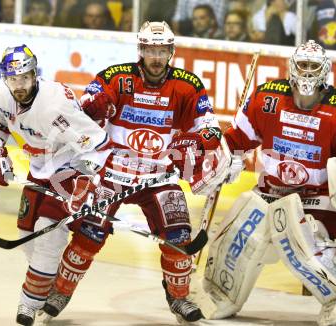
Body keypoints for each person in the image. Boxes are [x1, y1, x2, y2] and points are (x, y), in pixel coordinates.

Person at [39, 21, 229, 324]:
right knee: (88, 236)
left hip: (159, 176)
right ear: (141, 50)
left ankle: (179, 299)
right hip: (113, 172)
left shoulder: (188, 85)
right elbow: (84, 108)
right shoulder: (116, 77)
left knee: (179, 237)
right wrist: (91, 108)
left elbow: (209, 127)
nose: (156, 57)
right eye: (151, 50)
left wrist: (198, 140)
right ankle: (60, 292)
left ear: (171, 51)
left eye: (162, 50)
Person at [202, 40, 336, 325]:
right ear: (291, 68)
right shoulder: (267, 98)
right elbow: (237, 138)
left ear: (325, 71)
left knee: (298, 235)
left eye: (314, 67)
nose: (308, 73)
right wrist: (227, 159)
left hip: (319, 198)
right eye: (303, 65)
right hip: (270, 192)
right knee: (237, 238)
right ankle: (225, 296)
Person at [0, 44, 112, 326]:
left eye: (25, 77)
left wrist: (86, 180)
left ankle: (29, 303)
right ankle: (49, 283)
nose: (20, 85)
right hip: (39, 169)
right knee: (26, 233)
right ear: (5, 79)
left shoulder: (55, 105)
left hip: (69, 169)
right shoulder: (2, 94)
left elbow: (99, 145)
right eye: (14, 79)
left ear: (34, 74)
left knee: (47, 235)